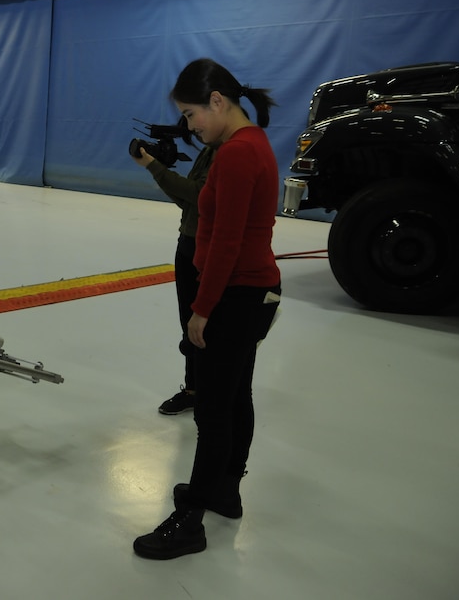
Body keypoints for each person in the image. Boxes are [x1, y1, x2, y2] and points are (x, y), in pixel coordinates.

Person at [133, 58, 281, 561]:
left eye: (192, 114)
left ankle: (192, 517)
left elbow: (225, 244)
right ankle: (225, 491)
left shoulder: (238, 154)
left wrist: (201, 309)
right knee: (236, 394)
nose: (191, 126)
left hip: (237, 294)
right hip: (249, 293)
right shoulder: (248, 143)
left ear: (217, 101)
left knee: (215, 407)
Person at [131, 131, 217, 416]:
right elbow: (188, 201)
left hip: (204, 247)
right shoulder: (207, 151)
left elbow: (197, 194)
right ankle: (194, 391)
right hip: (188, 244)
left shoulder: (226, 152)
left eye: (194, 116)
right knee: (188, 323)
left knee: (204, 325)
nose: (194, 128)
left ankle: (210, 392)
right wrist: (158, 170)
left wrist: (154, 167)